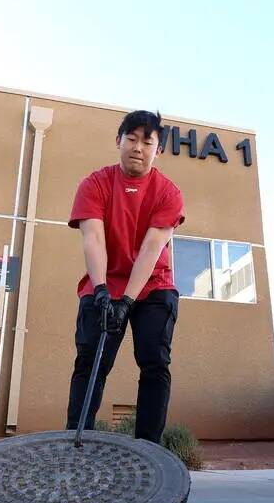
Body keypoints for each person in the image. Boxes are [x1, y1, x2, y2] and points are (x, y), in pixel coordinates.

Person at [65, 110, 185, 444]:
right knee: (90, 361)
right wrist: (102, 291)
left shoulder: (168, 192)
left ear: (157, 149)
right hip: (106, 280)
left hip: (152, 285)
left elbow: (151, 248)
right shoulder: (95, 184)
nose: (138, 147)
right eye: (131, 139)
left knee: (154, 361)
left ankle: (149, 449)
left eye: (148, 142)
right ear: (118, 141)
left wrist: (127, 301)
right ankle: (77, 445)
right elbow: (94, 239)